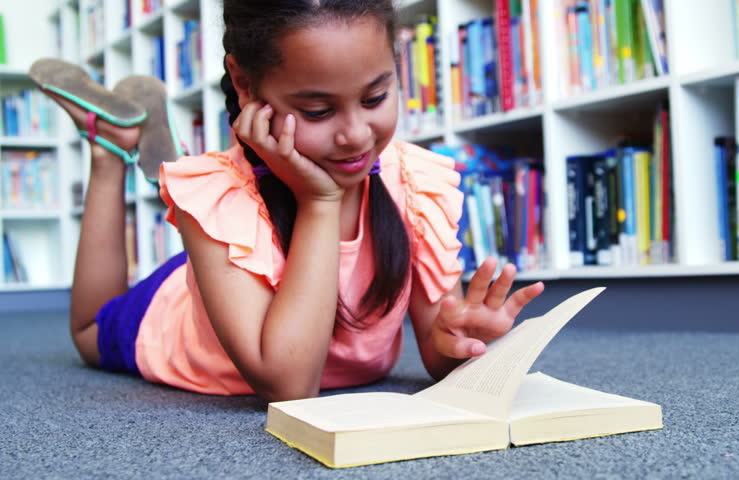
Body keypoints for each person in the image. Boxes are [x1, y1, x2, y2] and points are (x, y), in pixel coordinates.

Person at [31, 0, 545, 402]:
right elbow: (289, 384)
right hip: (192, 300)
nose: (356, 136)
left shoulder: (414, 180)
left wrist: (461, 342)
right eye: (319, 111)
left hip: (239, 267)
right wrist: (320, 201)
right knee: (88, 332)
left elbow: (436, 351)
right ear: (244, 83)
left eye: (374, 98)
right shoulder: (218, 194)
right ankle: (110, 149)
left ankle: (155, 155)